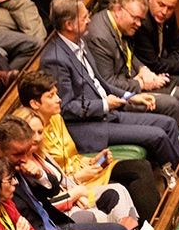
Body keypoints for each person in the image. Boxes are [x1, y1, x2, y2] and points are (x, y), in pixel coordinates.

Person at [40, 0, 179, 168]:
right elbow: (66, 107)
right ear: (69, 25)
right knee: (158, 135)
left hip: (107, 115)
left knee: (169, 123)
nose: (89, 21)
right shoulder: (55, 59)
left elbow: (99, 83)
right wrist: (104, 104)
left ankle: (178, 172)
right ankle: (177, 182)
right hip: (89, 127)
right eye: (84, 17)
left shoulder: (79, 43)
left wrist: (131, 96)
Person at [17, 71, 161, 222]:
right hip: (73, 184)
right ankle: (152, 227)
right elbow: (50, 181)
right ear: (35, 103)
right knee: (128, 180)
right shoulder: (30, 136)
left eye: (56, 94)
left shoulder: (56, 117)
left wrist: (93, 161)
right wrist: (81, 176)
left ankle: (156, 225)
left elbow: (72, 155)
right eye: (51, 96)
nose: (59, 100)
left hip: (84, 172)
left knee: (140, 167)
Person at [84, 0, 179, 135]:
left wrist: (144, 70)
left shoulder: (118, 24)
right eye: (135, 18)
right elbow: (107, 83)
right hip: (120, 97)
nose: (139, 24)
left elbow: (130, 55)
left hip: (132, 79)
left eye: (140, 19)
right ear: (118, 10)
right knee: (171, 105)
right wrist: (141, 85)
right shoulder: (100, 38)